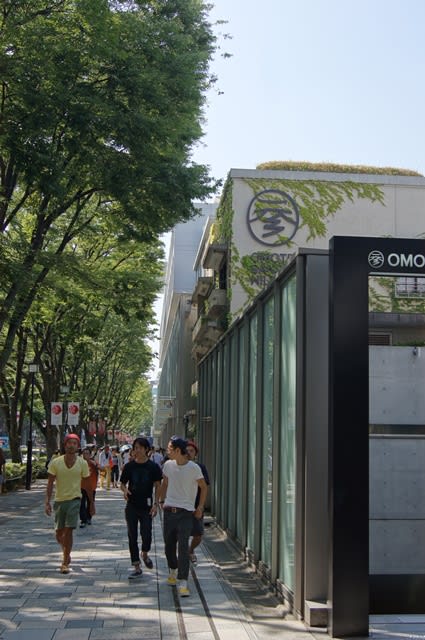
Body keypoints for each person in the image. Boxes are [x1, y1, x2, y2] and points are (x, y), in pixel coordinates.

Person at [158, 436, 207, 597]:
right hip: (169, 511)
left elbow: (203, 487)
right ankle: (173, 569)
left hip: (186, 513)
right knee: (169, 545)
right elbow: (165, 483)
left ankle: (183, 581)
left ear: (178, 450)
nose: (167, 451)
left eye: (169, 448)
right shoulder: (168, 465)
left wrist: (200, 507)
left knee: (183, 547)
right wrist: (160, 501)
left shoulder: (194, 468)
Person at [45, 433, 93, 574]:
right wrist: (47, 502)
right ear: (65, 445)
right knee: (59, 534)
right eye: (69, 443)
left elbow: (87, 485)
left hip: (75, 500)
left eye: (74, 443)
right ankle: (66, 552)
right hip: (59, 501)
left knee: (68, 530)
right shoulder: (56, 462)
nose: (71, 446)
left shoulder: (82, 463)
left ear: (78, 446)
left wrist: (92, 503)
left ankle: (65, 561)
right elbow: (50, 483)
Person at [120, 436, 162, 579]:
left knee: (147, 533)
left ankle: (144, 553)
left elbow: (158, 485)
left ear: (146, 449)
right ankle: (136, 566)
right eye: (135, 448)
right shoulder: (129, 466)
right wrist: (125, 490)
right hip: (131, 505)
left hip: (147, 506)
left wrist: (156, 504)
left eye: (139, 448)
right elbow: (122, 483)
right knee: (132, 535)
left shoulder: (153, 467)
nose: (137, 451)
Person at [186, 440, 210, 564]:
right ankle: (183, 554)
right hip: (181, 505)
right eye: (187, 450)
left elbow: (205, 486)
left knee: (198, 534)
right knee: (180, 533)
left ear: (196, 454)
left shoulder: (200, 467)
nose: (189, 453)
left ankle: (190, 550)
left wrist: (200, 506)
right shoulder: (177, 467)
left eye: (192, 451)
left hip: (196, 504)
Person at [80, 448, 98, 528]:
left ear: (90, 455)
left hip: (91, 487)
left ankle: (89, 518)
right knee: (81, 503)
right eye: (84, 453)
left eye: (87, 453)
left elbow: (102, 469)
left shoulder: (93, 463)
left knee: (90, 502)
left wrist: (96, 466)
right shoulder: (79, 463)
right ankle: (83, 520)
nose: (85, 455)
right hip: (81, 486)